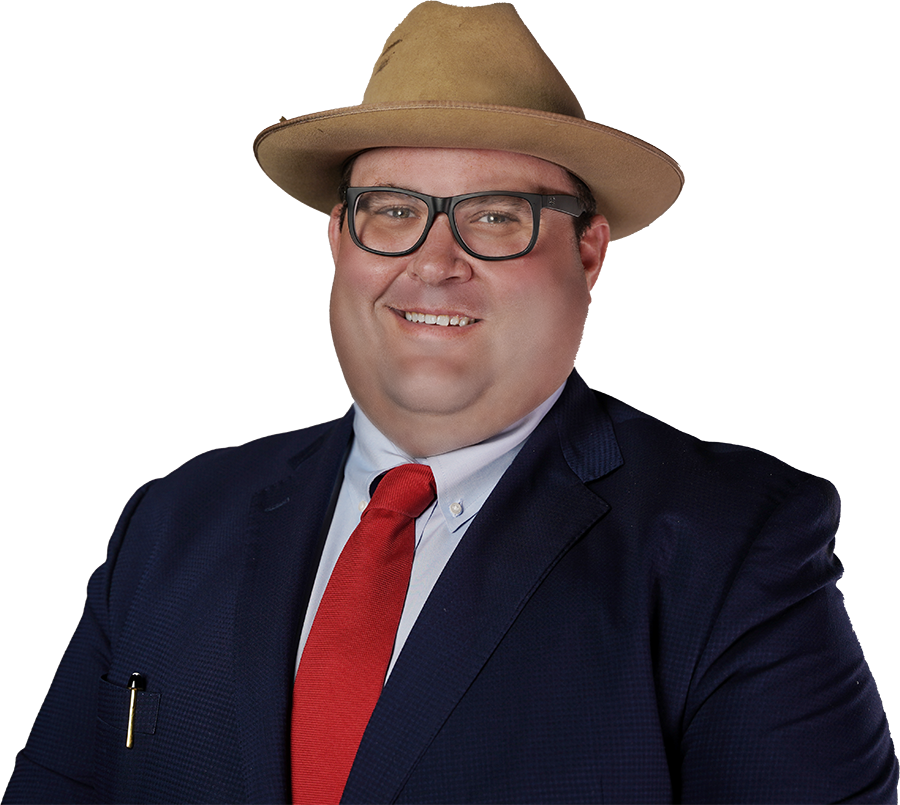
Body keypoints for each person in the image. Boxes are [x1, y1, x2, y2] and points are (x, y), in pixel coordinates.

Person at [5, 3, 897, 803]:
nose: (434, 261)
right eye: (392, 209)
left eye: (498, 215)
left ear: (589, 253)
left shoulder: (735, 545)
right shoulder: (172, 522)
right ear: (339, 238)